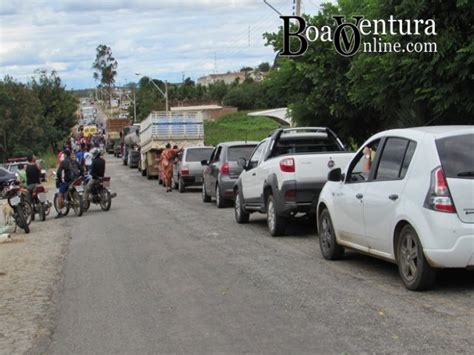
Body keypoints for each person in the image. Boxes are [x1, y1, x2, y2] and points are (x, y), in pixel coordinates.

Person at [55, 149, 73, 218]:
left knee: (60, 194)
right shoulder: (74, 160)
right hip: (74, 180)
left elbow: (59, 173)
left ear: (65, 155)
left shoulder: (63, 162)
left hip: (67, 181)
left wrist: (60, 180)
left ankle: (60, 212)